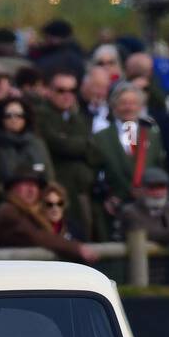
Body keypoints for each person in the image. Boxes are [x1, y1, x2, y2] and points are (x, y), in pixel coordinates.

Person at [93, 82, 167, 237]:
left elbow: (160, 167)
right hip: (115, 209)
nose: (128, 107)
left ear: (140, 107)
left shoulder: (153, 135)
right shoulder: (100, 138)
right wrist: (106, 196)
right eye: (123, 103)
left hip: (148, 208)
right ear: (114, 107)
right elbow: (95, 172)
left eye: (133, 103)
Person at [37, 70, 101, 240]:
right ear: (49, 91)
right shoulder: (41, 115)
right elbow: (58, 144)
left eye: (72, 90)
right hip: (58, 190)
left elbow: (94, 151)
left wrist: (74, 143)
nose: (67, 95)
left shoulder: (78, 117)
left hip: (83, 189)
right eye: (61, 90)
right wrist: (83, 144)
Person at [0, 167, 97, 263]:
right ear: (12, 188)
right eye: (26, 184)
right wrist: (76, 248)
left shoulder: (35, 213)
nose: (31, 190)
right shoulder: (8, 211)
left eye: (35, 185)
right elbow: (34, 236)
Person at [0, 95, 52, 206]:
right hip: (6, 206)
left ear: (26, 117)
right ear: (0, 118)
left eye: (19, 115)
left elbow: (49, 178)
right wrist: (18, 192)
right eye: (8, 115)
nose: (14, 119)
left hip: (39, 206)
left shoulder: (38, 144)